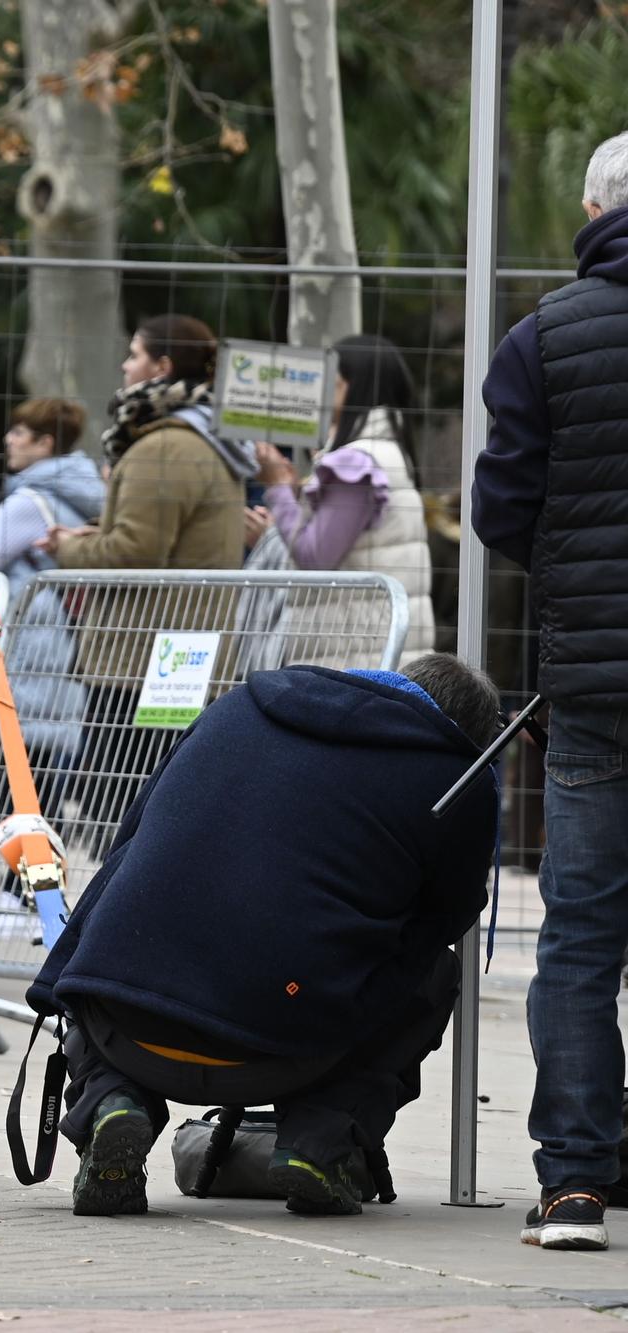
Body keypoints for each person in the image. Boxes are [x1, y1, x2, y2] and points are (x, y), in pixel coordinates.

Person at [28, 655, 500, 1218]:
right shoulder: (458, 775)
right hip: (281, 1047)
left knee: (118, 921)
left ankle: (112, 1100)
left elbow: (131, 839)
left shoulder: (237, 707)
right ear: (469, 734)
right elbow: (448, 916)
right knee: (432, 969)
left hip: (125, 1025)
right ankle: (320, 1141)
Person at [474, 130, 628, 1252]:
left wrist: (572, 566)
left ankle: (575, 1180)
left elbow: (499, 510)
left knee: (577, 935)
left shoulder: (542, 335)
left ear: (590, 210)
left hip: (592, 682)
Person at [40, 315, 255, 839]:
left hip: (139, 662)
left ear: (162, 367)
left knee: (124, 813)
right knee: (163, 815)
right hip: (179, 655)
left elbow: (134, 552)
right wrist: (99, 533)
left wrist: (68, 547)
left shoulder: (163, 447)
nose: (123, 365)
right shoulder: (208, 440)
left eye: (133, 354)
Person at [0, 398, 107, 933]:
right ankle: (33, 901)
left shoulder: (28, 503)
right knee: (38, 786)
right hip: (61, 659)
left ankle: (24, 902)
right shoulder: (84, 500)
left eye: (20, 433)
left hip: (22, 661)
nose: (9, 441)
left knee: (22, 787)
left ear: (45, 443)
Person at [256, 333, 436, 662]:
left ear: (353, 386)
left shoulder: (355, 463)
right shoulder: (387, 453)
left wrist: (278, 488)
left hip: (352, 660)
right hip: (373, 652)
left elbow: (315, 557)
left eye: (329, 379)